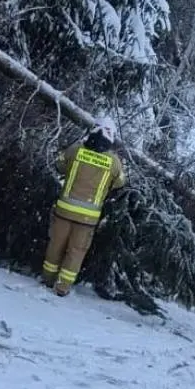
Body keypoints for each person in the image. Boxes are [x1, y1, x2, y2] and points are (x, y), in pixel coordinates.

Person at [40, 117, 127, 296]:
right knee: (76, 252)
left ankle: (48, 278)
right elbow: (119, 183)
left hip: (64, 210)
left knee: (56, 245)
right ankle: (62, 287)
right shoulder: (114, 162)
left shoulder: (75, 150)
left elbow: (59, 165)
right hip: (88, 218)